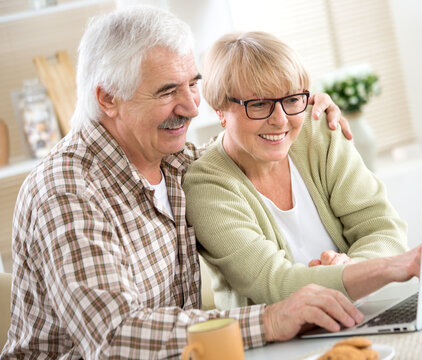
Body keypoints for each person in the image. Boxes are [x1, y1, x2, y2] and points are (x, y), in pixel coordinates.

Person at [1, 7, 362, 359]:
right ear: (108, 98)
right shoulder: (67, 190)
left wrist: (297, 110)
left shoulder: (177, 163)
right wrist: (269, 321)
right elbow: (114, 336)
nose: (191, 107)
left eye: (193, 84)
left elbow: (241, 142)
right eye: (167, 91)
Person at [183, 32, 422, 310]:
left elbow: (382, 227)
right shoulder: (206, 187)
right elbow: (275, 284)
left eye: (292, 99)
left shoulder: (317, 132)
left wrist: (354, 267)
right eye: (259, 104)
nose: (281, 120)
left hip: (361, 313)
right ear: (219, 109)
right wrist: (369, 272)